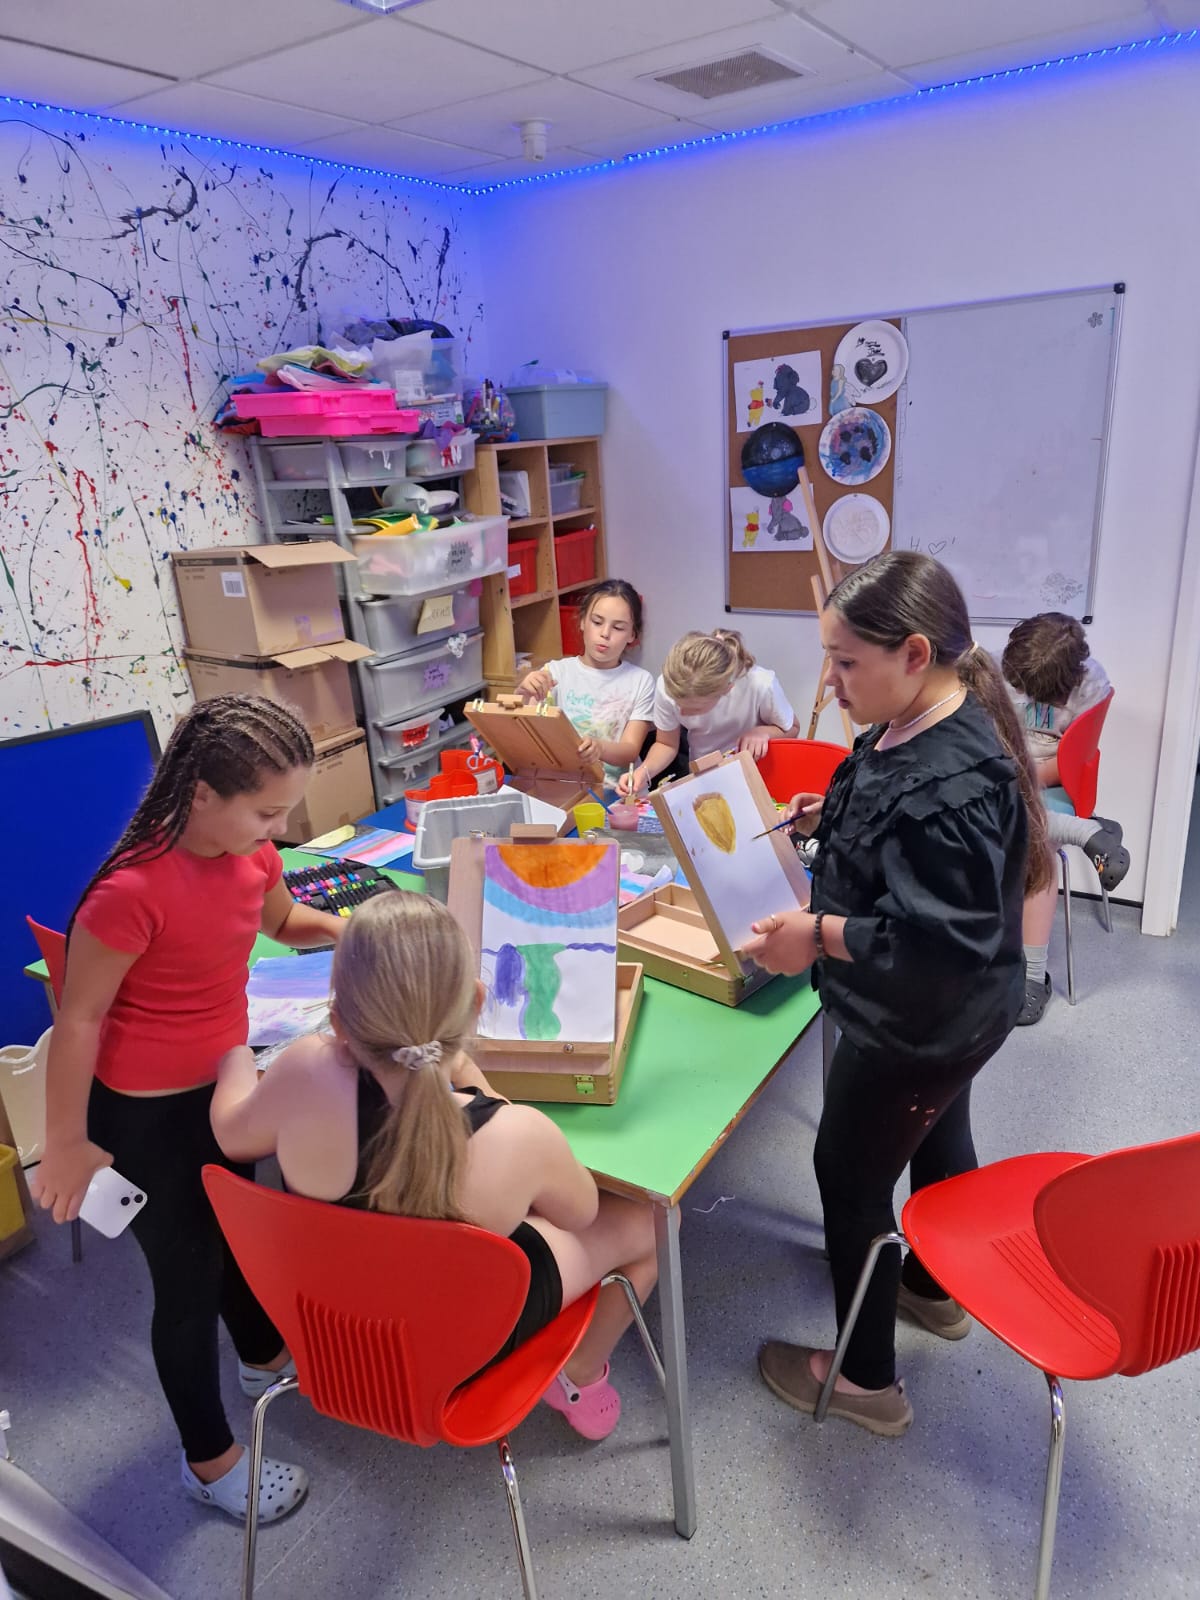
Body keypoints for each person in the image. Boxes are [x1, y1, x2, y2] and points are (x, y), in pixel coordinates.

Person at [743, 552, 1053, 1436]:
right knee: (938, 1130)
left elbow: (933, 945)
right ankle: (931, 1288)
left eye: (845, 662)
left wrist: (817, 934)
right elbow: (893, 824)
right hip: (959, 1020)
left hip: (923, 1017)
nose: (829, 682)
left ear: (915, 654)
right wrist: (829, 819)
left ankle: (865, 1382)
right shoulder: (908, 719)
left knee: (848, 1173)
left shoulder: (952, 785)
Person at [30, 696, 342, 1523]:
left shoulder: (253, 858)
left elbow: (284, 920)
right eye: (267, 812)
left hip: (223, 1091)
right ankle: (209, 1462)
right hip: (143, 1118)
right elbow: (80, 1021)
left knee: (235, 1229)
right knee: (187, 1280)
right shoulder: (131, 891)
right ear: (202, 794)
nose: (279, 830)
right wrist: (65, 1140)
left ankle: (261, 1353)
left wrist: (348, 930)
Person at [210, 891, 659, 1442]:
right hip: (465, 1347)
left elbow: (231, 1136)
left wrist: (233, 1053)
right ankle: (581, 1373)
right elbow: (581, 1212)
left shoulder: (303, 1070)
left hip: (337, 1330)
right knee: (652, 1223)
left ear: (338, 1021)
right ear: (477, 1003)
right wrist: (479, 1089)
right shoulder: (517, 1136)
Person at [1000, 612, 1129, 1025]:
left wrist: (1020, 776)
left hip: (1053, 781)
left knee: (1034, 849)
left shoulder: (1090, 685)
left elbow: (1073, 759)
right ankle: (1087, 834)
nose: (1021, 691)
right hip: (1003, 772)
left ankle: (1033, 978)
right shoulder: (1007, 669)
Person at [616, 628, 798, 797]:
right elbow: (666, 744)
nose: (682, 712)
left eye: (694, 709)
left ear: (726, 689)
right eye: (677, 703)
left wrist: (763, 732)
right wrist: (643, 772)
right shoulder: (669, 685)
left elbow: (793, 728)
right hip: (704, 778)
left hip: (756, 778)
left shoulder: (760, 684)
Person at [516, 578, 654, 794]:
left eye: (618, 627)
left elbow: (630, 750)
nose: (605, 633)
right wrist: (522, 694)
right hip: (565, 789)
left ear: (632, 635)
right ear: (582, 622)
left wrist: (600, 748)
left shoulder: (640, 681)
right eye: (597, 622)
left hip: (616, 792)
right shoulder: (554, 672)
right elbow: (527, 734)